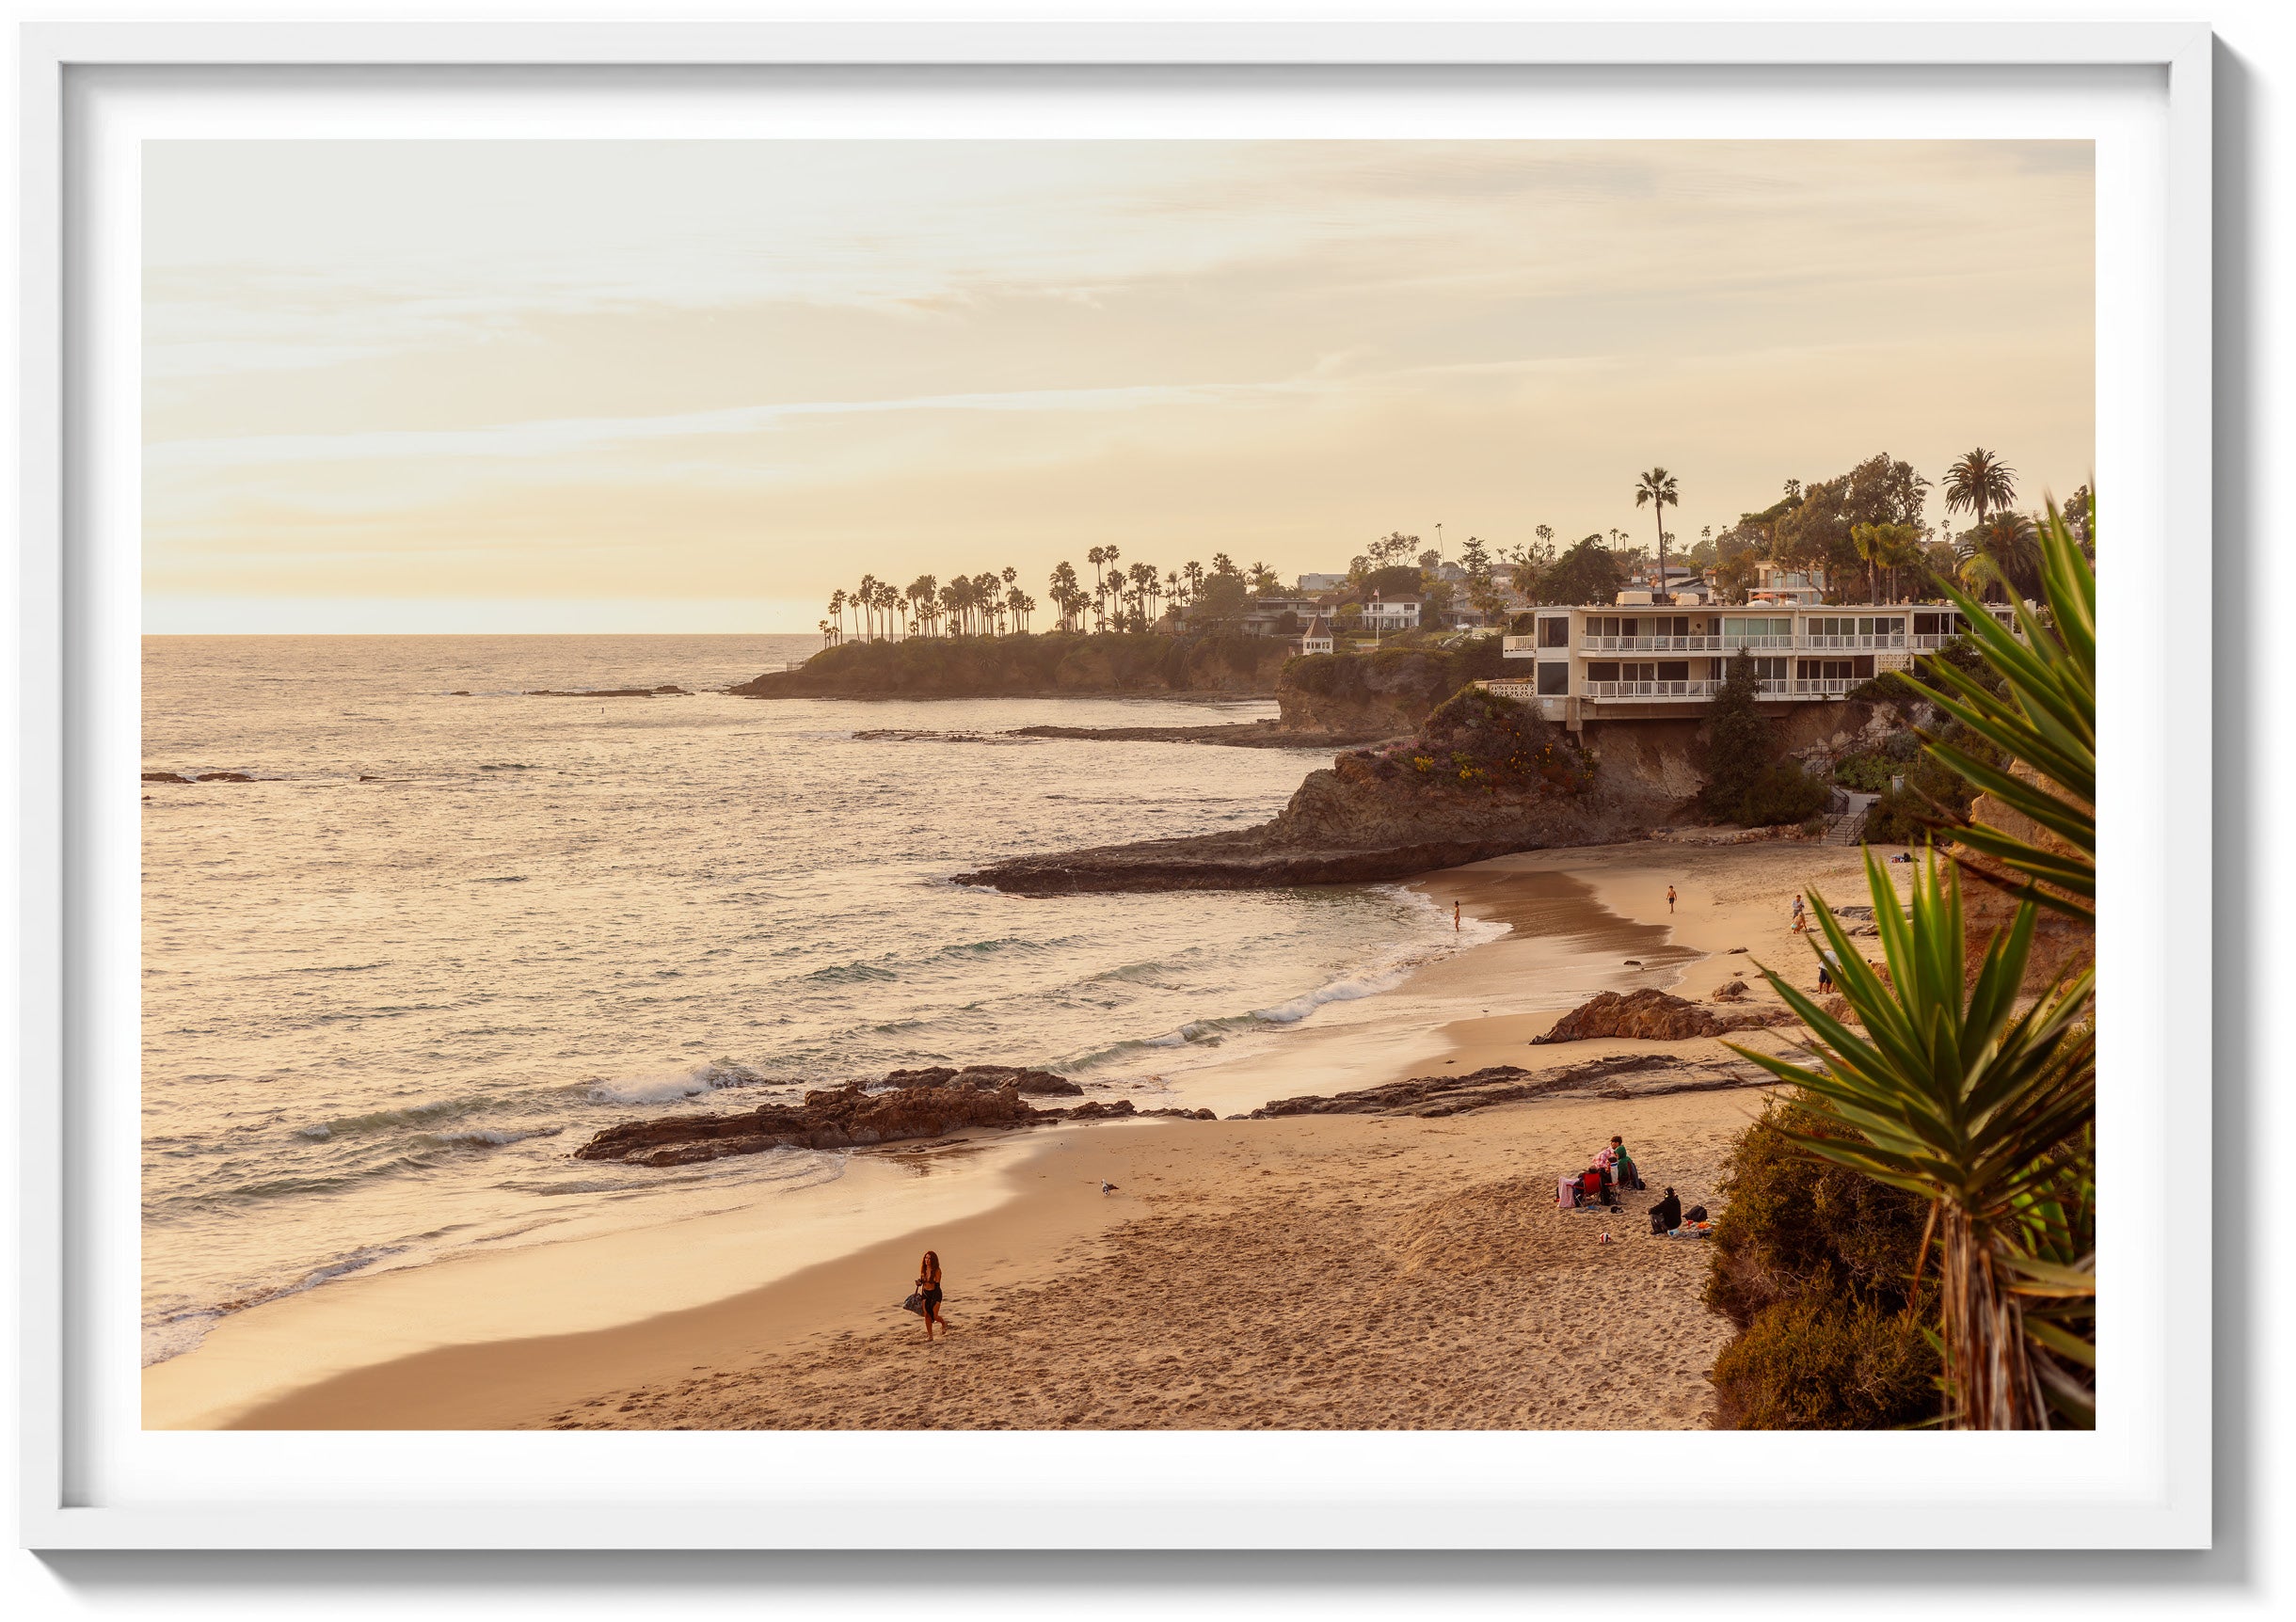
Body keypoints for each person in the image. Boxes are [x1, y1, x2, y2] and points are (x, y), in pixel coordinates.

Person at [917, 1249, 945, 1341]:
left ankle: (944, 1323)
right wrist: (919, 1282)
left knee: (934, 1315)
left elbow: (937, 1286)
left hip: (935, 1293)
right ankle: (930, 1336)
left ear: (933, 1260)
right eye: (926, 1258)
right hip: (925, 1293)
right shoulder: (923, 1269)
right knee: (927, 1315)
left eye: (929, 1258)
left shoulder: (937, 1270)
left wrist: (933, 1299)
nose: (927, 1260)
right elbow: (922, 1282)